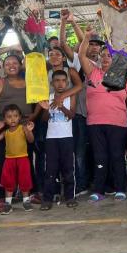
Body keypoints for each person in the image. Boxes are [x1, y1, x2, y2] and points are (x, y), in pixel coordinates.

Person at [79, 29, 127, 202]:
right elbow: (82, 55)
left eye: (109, 56)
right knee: (100, 157)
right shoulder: (93, 72)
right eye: (103, 55)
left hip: (118, 123)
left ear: (115, 59)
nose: (106, 58)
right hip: (95, 123)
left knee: (117, 156)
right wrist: (87, 37)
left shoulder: (122, 76)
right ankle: (99, 190)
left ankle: (120, 188)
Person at [0, 55, 41, 209]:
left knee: (27, 161)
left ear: (20, 65)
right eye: (7, 63)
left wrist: (34, 116)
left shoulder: (29, 82)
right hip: (5, 128)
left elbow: (39, 100)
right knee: (5, 164)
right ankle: (3, 197)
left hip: (24, 128)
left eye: (15, 63)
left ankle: (30, 194)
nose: (11, 65)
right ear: (3, 67)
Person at [59, 9, 102, 195]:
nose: (93, 47)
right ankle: (82, 184)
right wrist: (67, 23)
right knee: (80, 151)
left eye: (97, 45)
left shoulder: (105, 62)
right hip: (81, 114)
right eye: (90, 44)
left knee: (98, 151)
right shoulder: (77, 62)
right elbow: (63, 43)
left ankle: (98, 181)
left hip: (100, 115)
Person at [40, 70, 78, 209]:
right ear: (52, 83)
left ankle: (70, 196)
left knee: (68, 168)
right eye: (57, 80)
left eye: (63, 80)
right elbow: (44, 120)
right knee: (50, 169)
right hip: (51, 138)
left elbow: (72, 115)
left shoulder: (70, 96)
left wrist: (61, 106)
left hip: (67, 138)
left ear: (67, 82)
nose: (60, 83)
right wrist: (46, 109)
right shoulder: (48, 97)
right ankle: (47, 199)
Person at [0, 105, 35, 214]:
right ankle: (8, 204)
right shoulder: (6, 132)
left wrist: (29, 131)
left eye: (15, 116)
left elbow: (31, 140)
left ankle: (26, 201)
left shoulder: (23, 128)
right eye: (9, 117)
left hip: (22, 159)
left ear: (20, 117)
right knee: (9, 182)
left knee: (24, 180)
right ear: (5, 119)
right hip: (9, 160)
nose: (13, 119)